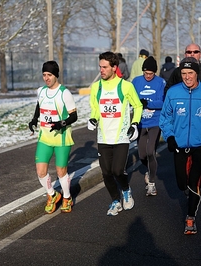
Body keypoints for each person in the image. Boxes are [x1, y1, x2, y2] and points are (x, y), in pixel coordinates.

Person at [159, 57, 201, 235]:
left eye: (190, 73)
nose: (187, 77)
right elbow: (165, 118)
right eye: (184, 73)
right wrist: (170, 137)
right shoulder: (173, 93)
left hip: (200, 145)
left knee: (194, 182)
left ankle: (190, 218)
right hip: (179, 145)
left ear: (197, 74)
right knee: (181, 184)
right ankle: (188, 191)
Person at [88, 51, 143, 216]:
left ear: (114, 67)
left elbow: (138, 106)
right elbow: (96, 109)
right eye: (100, 67)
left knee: (118, 171)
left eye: (105, 67)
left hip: (120, 137)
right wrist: (93, 119)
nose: (101, 70)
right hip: (104, 137)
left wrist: (134, 124)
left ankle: (126, 190)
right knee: (106, 172)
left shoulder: (125, 86)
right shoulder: (96, 87)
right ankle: (114, 201)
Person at [28, 61, 78, 214]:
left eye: (49, 75)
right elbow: (40, 105)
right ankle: (52, 194)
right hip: (45, 137)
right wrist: (34, 119)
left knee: (61, 171)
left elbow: (74, 116)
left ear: (55, 75)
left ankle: (67, 197)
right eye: (44, 75)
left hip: (62, 138)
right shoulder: (41, 91)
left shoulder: (64, 93)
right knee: (40, 171)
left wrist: (61, 123)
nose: (46, 78)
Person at [132, 56, 165, 196]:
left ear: (155, 73)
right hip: (140, 122)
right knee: (142, 155)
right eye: (146, 73)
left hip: (155, 122)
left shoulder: (161, 82)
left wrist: (148, 103)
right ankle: (149, 170)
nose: (148, 76)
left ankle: (151, 183)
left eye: (151, 74)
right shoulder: (136, 81)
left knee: (151, 151)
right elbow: (130, 98)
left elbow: (163, 102)